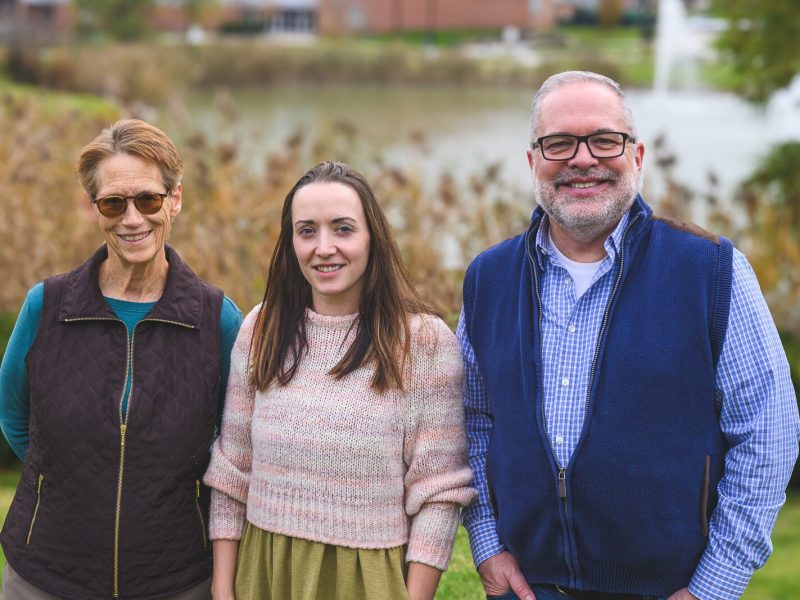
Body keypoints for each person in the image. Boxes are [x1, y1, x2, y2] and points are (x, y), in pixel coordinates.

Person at [459, 71, 800, 600]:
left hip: (669, 590)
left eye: (604, 140)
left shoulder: (710, 271)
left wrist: (715, 587)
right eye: (559, 143)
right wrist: (485, 542)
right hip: (529, 588)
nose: (582, 159)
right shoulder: (489, 279)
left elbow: (768, 433)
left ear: (636, 156)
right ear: (533, 162)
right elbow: (471, 422)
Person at [203, 160, 475, 600]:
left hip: (366, 579)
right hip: (265, 573)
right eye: (307, 230)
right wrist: (223, 589)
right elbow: (233, 471)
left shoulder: (421, 342)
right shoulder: (262, 329)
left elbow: (439, 492)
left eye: (343, 228)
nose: (323, 247)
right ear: (291, 242)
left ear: (372, 239)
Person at [0, 119, 243, 599]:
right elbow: (12, 414)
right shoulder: (45, 306)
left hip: (175, 579)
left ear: (175, 199)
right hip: (45, 576)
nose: (132, 219)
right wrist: (64, 481)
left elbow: (235, 445)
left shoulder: (217, 318)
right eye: (113, 202)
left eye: (148, 199)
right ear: (95, 209)